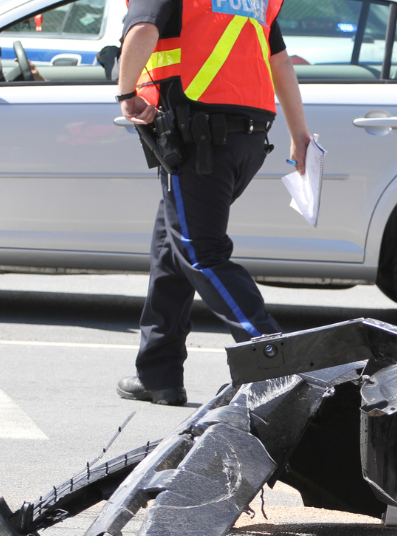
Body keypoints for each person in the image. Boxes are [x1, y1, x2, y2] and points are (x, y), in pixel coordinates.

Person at [115, 0, 311, 406]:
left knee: (200, 252)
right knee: (171, 251)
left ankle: (274, 358)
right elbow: (280, 62)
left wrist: (126, 92)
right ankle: (158, 374)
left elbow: (143, 31)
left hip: (199, 135)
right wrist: (300, 133)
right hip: (247, 137)